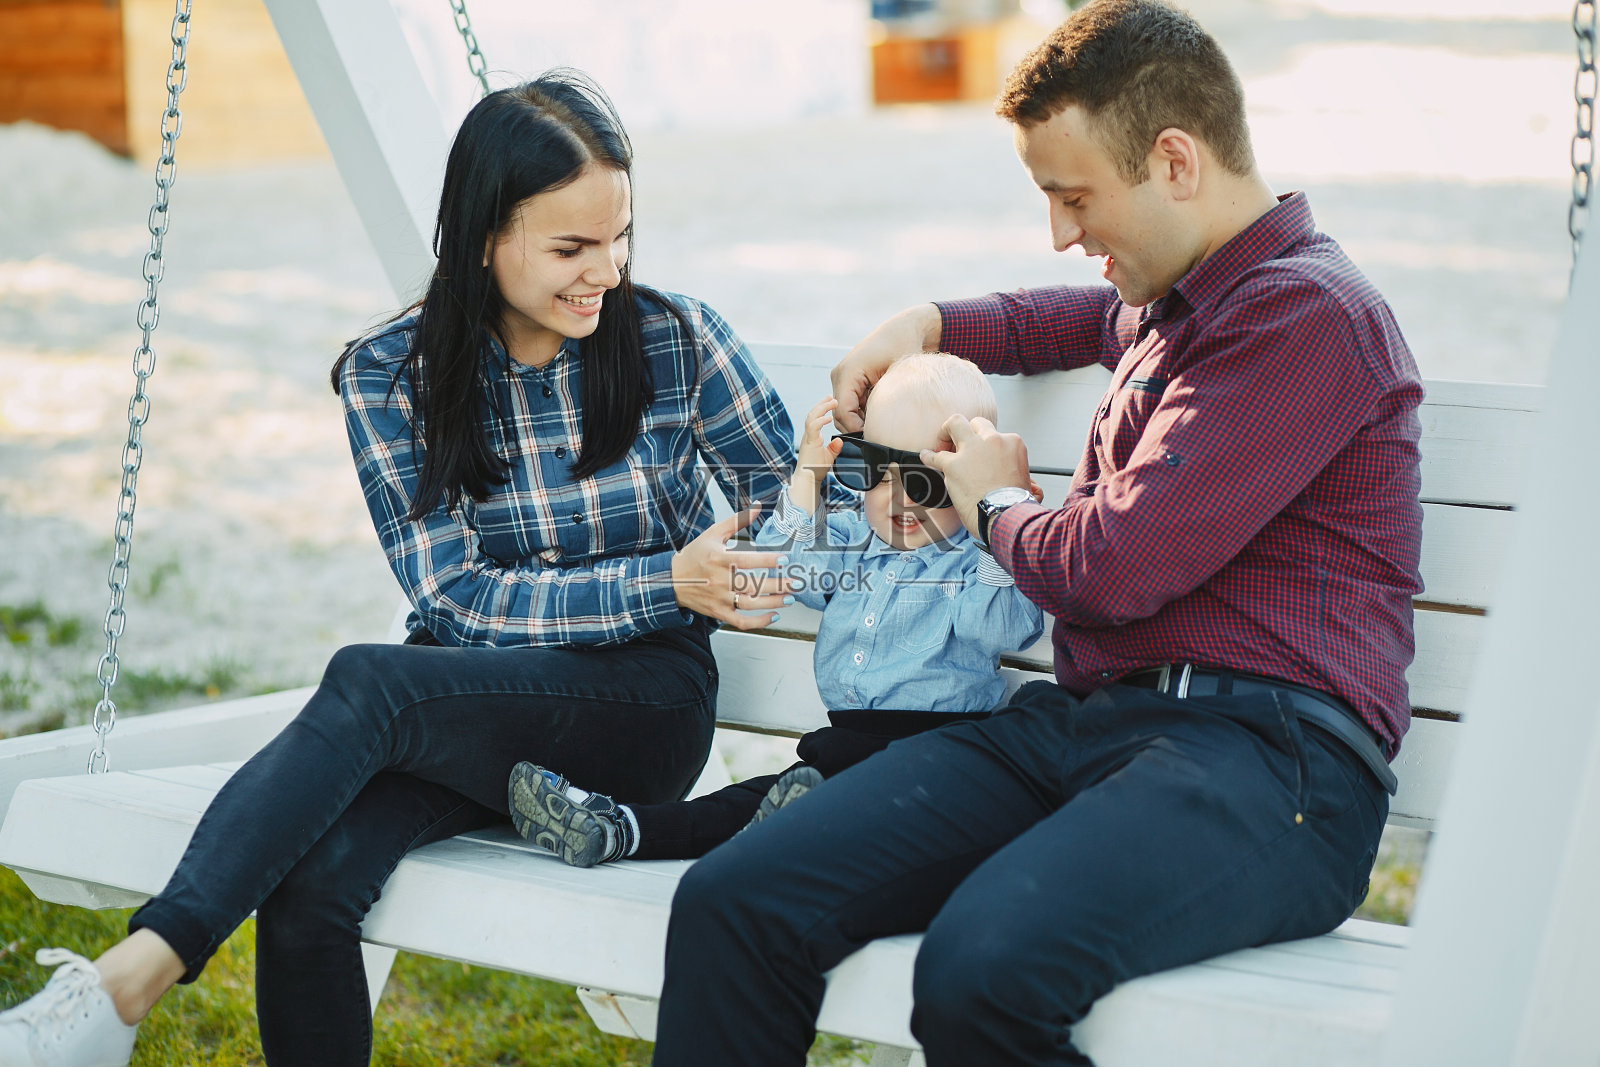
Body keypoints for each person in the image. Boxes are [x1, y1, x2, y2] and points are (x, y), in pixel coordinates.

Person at [648, 2, 1422, 1064]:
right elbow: (1064, 319)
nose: (1062, 231)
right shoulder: (1181, 304)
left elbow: (1111, 567)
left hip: (1270, 765)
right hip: (1095, 728)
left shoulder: (1306, 317)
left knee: (983, 968)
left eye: (1074, 196)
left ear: (1175, 161)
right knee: (738, 897)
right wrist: (926, 323)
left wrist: (989, 500)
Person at [0, 71, 799, 1067]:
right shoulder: (392, 372)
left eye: (620, 236)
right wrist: (665, 577)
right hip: (468, 706)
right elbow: (456, 599)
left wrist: (762, 547)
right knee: (314, 885)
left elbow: (795, 500)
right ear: (483, 238)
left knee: (370, 679)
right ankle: (119, 993)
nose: (607, 269)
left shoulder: (674, 339)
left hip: (640, 709)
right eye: (571, 248)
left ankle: (124, 984)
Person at [508, 353, 1044, 866]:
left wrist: (992, 518)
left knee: (832, 807)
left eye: (926, 480)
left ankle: (777, 835)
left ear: (965, 481)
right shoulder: (851, 541)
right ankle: (619, 828)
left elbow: (997, 627)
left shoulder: (973, 561)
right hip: (845, 747)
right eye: (873, 470)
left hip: (935, 757)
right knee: (747, 803)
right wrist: (807, 479)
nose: (899, 498)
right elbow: (777, 568)